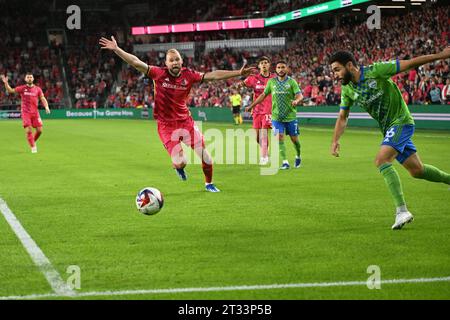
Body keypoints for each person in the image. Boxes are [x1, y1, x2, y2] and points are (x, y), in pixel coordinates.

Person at [99, 36, 255, 192]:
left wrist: (238, 73)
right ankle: (179, 168)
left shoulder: (189, 75)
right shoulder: (158, 74)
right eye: (171, 60)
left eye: (177, 60)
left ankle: (209, 184)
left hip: (186, 123)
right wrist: (117, 49)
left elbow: (213, 75)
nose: (174, 62)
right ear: (166, 63)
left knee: (206, 157)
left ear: (182, 62)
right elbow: (135, 62)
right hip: (166, 126)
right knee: (181, 162)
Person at [329, 49, 450, 230]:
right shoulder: (347, 89)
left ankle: (402, 211)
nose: (335, 75)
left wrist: (441, 55)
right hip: (389, 130)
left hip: (401, 121)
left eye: (337, 69)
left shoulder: (376, 71)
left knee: (381, 160)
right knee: (417, 171)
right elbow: (343, 117)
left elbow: (411, 63)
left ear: (349, 65)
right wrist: (335, 140)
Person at [247, 60, 303, 170]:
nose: (281, 70)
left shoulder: (292, 82)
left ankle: (298, 155)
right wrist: (252, 105)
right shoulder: (272, 82)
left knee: (294, 140)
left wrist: (296, 101)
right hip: (276, 117)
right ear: (276, 69)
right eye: (279, 67)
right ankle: (285, 162)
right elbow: (263, 95)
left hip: (290, 116)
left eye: (283, 67)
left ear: (286, 69)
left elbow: (300, 95)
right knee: (279, 138)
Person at [1, 73, 50, 153]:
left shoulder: (38, 89)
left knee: (40, 131)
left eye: (31, 77)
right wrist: (6, 83)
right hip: (25, 112)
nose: (29, 78)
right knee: (29, 130)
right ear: (25, 79)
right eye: (28, 77)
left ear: (33, 79)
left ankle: (32, 142)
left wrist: (46, 107)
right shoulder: (22, 88)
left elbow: (42, 98)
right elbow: (10, 90)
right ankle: (33, 148)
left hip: (35, 113)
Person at [240, 56, 275, 165]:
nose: (264, 64)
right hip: (256, 110)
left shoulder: (274, 78)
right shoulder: (254, 78)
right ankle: (265, 149)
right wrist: (242, 81)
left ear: (269, 65)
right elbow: (242, 85)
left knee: (264, 132)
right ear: (259, 66)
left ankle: (263, 156)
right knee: (257, 137)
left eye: (266, 62)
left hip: (269, 109)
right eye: (262, 63)